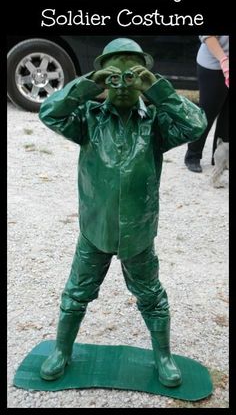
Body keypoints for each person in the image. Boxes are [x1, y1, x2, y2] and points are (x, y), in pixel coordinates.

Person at [38, 38, 207, 387]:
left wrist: (157, 89)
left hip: (139, 232)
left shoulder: (155, 123)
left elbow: (195, 125)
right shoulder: (87, 119)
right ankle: (61, 350)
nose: (125, 79)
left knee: (152, 297)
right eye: (115, 72)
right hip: (95, 229)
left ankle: (163, 355)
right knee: (76, 294)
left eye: (134, 72)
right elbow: (48, 111)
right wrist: (88, 84)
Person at [184, 35, 229, 173]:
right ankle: (193, 154)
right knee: (207, 112)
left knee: (228, 116)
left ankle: (220, 158)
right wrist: (224, 60)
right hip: (214, 65)